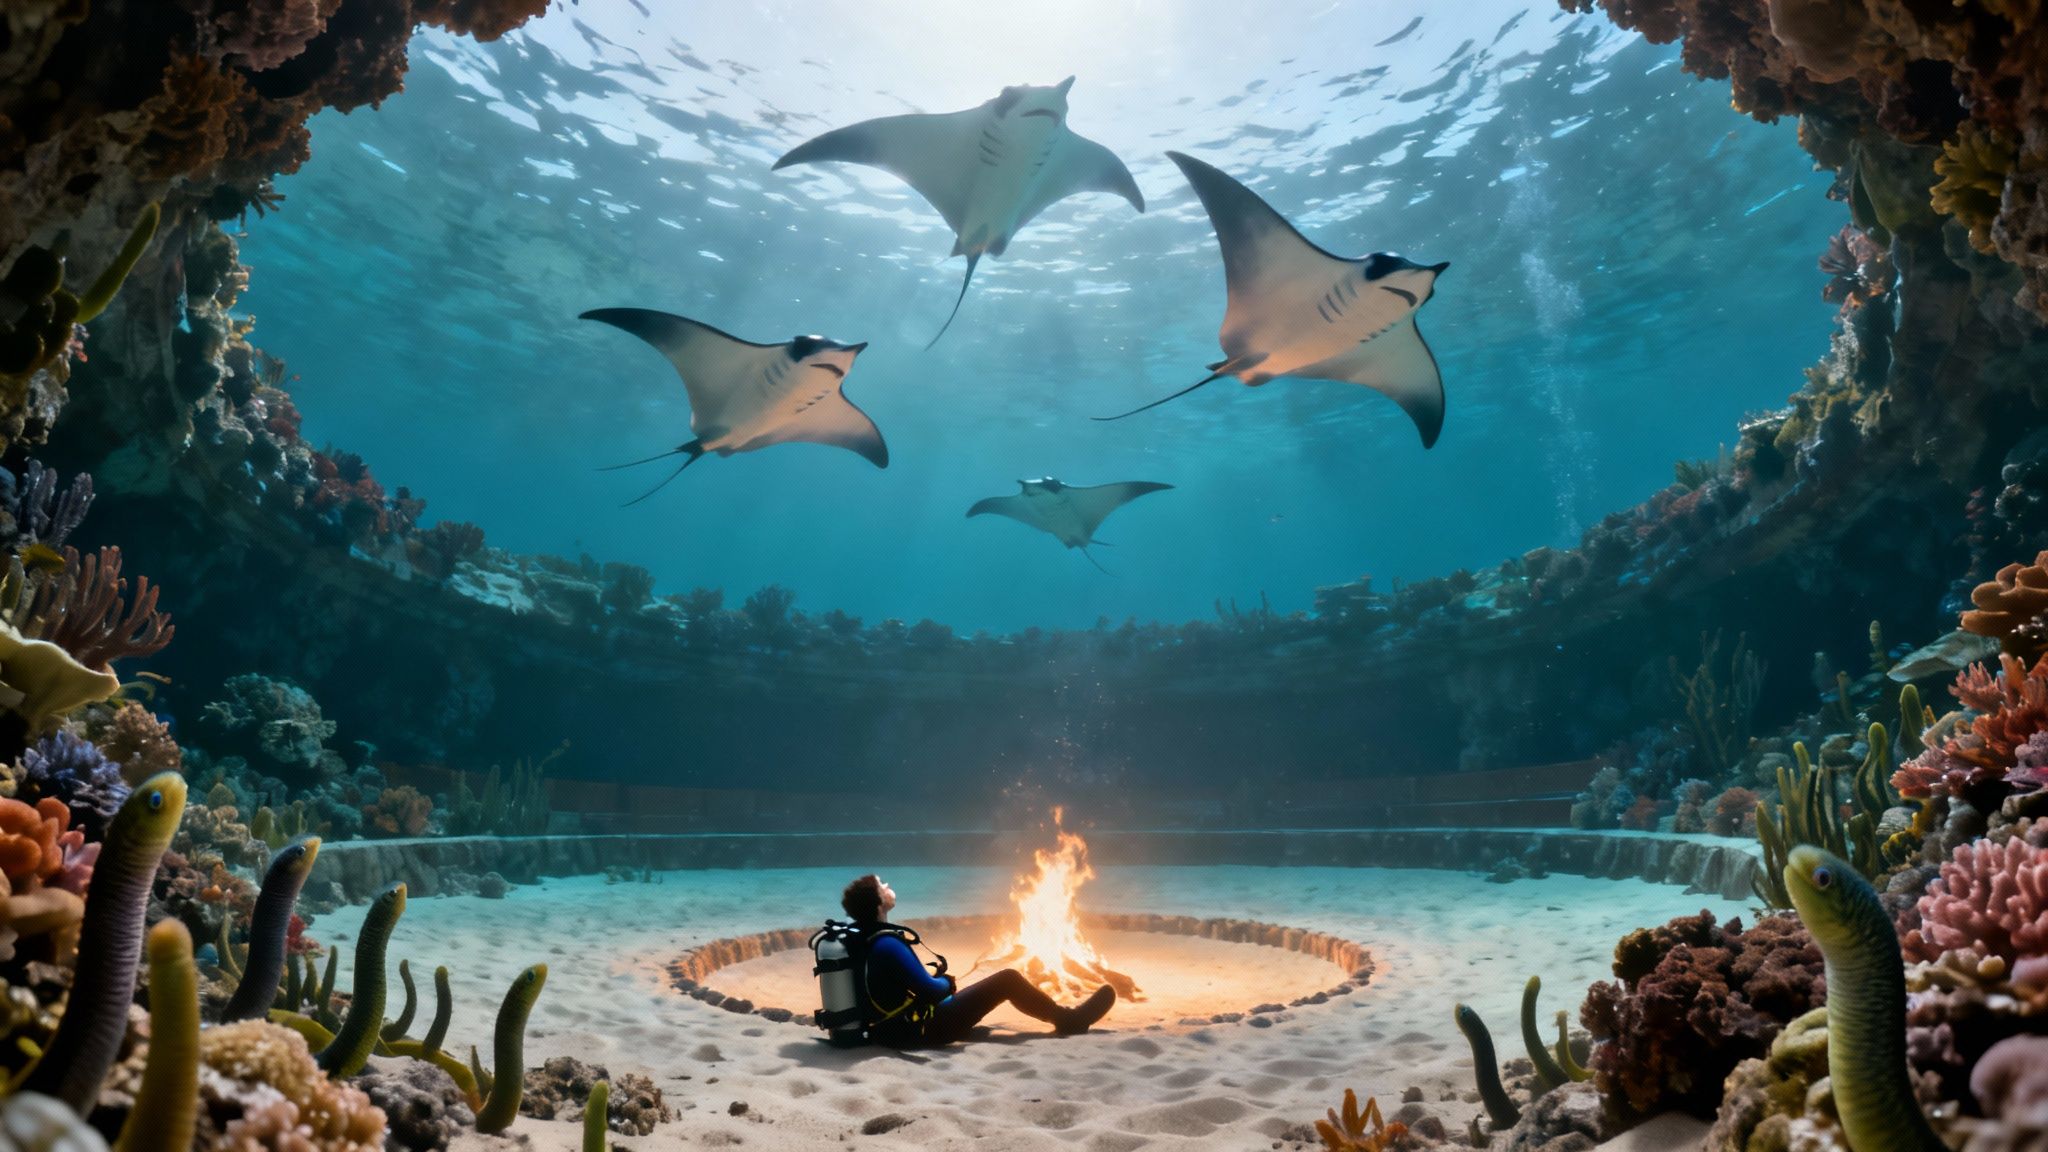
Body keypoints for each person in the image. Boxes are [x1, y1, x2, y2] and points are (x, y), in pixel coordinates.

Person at [839, 873, 1115, 1047]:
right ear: (878, 903)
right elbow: (931, 992)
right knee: (1008, 979)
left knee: (985, 987)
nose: (887, 885)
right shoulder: (888, 944)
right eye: (881, 884)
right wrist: (945, 984)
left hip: (887, 1032)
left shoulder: (862, 938)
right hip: (922, 1031)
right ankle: (1070, 1020)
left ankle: (1065, 1018)